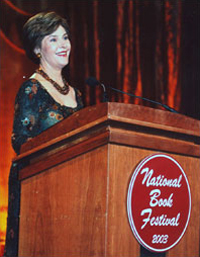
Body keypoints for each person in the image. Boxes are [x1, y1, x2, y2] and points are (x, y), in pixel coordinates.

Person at [4, 11, 83, 257]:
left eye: (65, 38)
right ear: (38, 49)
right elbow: (21, 142)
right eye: (53, 39)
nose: (63, 45)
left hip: (73, 186)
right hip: (39, 188)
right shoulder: (32, 88)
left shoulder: (77, 94)